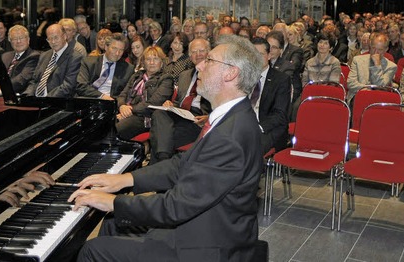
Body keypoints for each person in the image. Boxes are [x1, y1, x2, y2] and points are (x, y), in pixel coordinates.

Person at [70, 34, 264, 261]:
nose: (199, 65)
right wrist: (125, 179)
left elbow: (175, 206)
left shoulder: (231, 136)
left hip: (208, 245)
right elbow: (182, 165)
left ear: (231, 73)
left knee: (92, 251)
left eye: (209, 60)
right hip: (203, 225)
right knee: (113, 224)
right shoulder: (230, 116)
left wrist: (112, 201)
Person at [148, 39, 212, 164]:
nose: (198, 54)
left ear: (209, 53)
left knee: (160, 136)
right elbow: (179, 101)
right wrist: (171, 105)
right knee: (158, 113)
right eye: (194, 52)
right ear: (189, 56)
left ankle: (161, 163)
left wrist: (209, 117)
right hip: (182, 114)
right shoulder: (185, 75)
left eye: (201, 51)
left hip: (199, 120)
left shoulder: (216, 75)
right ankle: (164, 162)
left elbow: (225, 105)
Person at [115, 46, 173, 140]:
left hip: (145, 117)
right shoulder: (137, 76)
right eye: (148, 59)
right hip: (126, 112)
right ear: (144, 62)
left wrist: (130, 110)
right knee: (102, 124)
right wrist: (122, 106)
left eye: (155, 59)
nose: (151, 62)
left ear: (161, 62)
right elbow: (122, 94)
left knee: (115, 129)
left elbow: (153, 103)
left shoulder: (166, 79)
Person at [251, 37, 291, 152]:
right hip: (245, 126)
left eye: (260, 54)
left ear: (269, 56)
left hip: (268, 128)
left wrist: (257, 128)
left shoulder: (281, 80)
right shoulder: (243, 77)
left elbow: (280, 115)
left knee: (248, 147)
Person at [24, 24, 82, 98]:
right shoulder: (44, 55)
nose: (53, 41)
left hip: (57, 101)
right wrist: (27, 95)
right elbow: (34, 80)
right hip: (36, 100)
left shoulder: (75, 57)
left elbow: (68, 86)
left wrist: (46, 99)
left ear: (64, 36)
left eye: (56, 37)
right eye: (49, 39)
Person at [0, 25, 41, 96]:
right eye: (14, 39)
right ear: (10, 41)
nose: (18, 41)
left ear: (28, 39)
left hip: (15, 95)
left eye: (21, 38)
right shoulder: (5, 56)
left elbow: (21, 79)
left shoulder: (34, 56)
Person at [76, 33, 134, 99]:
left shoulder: (128, 69)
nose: (117, 53)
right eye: (114, 48)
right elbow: (81, 86)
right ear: (106, 47)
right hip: (89, 99)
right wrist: (102, 96)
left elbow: (126, 93)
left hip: (112, 103)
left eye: (121, 50)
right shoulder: (89, 63)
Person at [347, 33, 397, 102]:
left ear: (386, 49)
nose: (375, 52)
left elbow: (380, 86)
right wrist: (368, 89)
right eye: (373, 48)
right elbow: (351, 83)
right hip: (356, 97)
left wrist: (377, 65)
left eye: (380, 49)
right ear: (370, 46)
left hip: (377, 100)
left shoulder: (391, 67)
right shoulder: (357, 60)